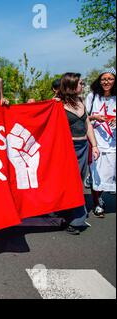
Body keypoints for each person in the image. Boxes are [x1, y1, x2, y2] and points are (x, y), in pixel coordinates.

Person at [57, 72, 100, 234]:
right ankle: (75, 220)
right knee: (71, 184)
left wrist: (94, 145)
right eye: (80, 83)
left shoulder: (81, 101)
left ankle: (69, 216)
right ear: (71, 85)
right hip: (67, 149)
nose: (83, 85)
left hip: (83, 146)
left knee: (79, 182)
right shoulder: (58, 104)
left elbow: (87, 123)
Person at [85, 68, 116, 217]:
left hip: (113, 143)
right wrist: (95, 117)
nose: (106, 82)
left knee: (108, 174)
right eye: (104, 79)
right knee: (97, 173)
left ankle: (99, 192)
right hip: (96, 140)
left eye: (110, 79)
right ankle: (97, 203)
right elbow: (84, 117)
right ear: (99, 80)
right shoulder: (92, 96)